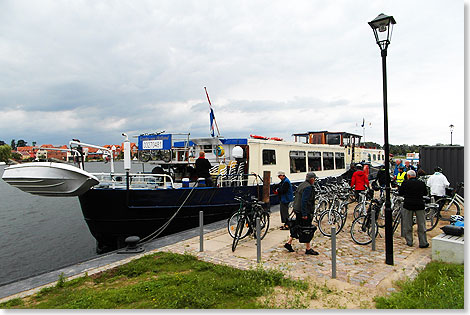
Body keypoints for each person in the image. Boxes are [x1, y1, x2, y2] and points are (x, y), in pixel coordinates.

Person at [284, 172, 319, 255]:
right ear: (312, 179)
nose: (314, 180)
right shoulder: (308, 187)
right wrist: (304, 214)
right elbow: (304, 201)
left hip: (297, 209)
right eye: (314, 179)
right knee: (307, 229)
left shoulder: (301, 185)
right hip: (304, 211)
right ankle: (308, 248)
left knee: (297, 227)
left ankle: (288, 243)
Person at [398, 170, 429, 248]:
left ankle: (409, 241)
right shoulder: (421, 183)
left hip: (408, 204)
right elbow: (425, 193)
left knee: (408, 224)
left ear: (408, 176)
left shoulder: (405, 183)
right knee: (421, 224)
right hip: (419, 204)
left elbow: (400, 193)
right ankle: (423, 242)